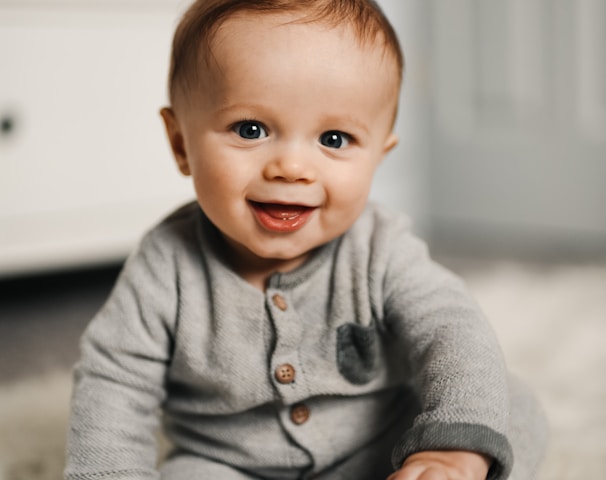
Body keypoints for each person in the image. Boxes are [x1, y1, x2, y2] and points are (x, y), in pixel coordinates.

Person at [64, 1, 547, 479]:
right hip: (228, 463)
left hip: (382, 448)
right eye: (250, 130)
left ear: (379, 156)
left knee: (506, 403)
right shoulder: (165, 264)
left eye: (334, 139)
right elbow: (114, 380)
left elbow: (449, 327)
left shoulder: (380, 248)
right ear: (180, 144)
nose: (292, 168)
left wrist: (447, 451)